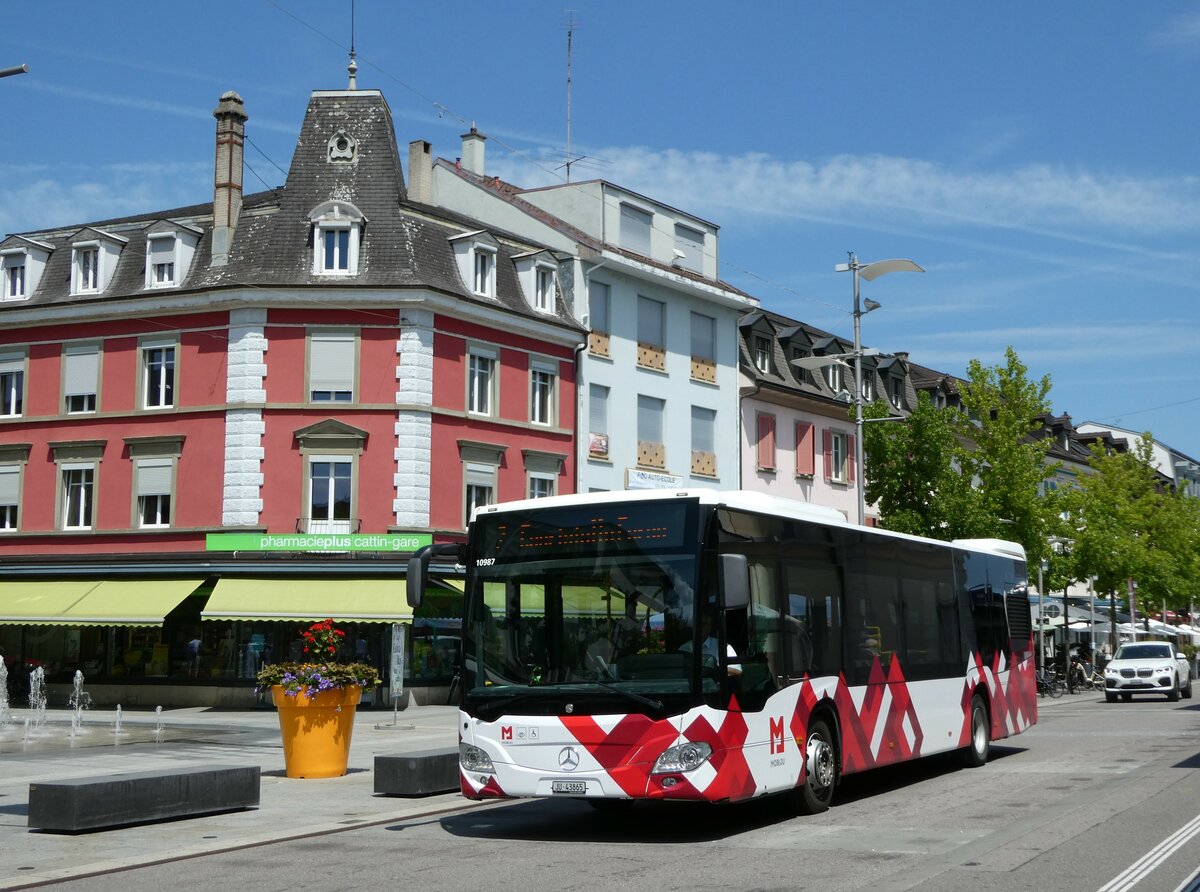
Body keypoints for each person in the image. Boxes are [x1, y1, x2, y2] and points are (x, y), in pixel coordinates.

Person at [681, 613, 741, 677]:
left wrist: (714, 670)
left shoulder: (724, 647)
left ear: (709, 627)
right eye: (697, 624)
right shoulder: (683, 649)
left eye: (703, 624)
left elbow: (737, 671)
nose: (699, 626)